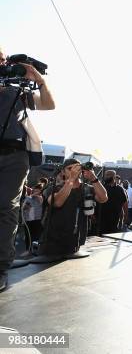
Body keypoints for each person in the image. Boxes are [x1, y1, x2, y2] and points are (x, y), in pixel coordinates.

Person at [0, 44, 55, 292]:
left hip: (15, 155)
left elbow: (48, 104)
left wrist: (39, 80)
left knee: (6, 207)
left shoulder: (18, 91)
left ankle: (1, 266)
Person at [38, 159, 108, 258]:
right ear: (62, 171)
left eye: (77, 168)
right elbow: (57, 202)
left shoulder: (87, 189)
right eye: (70, 168)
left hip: (75, 243)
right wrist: (70, 180)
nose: (74, 171)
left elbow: (103, 198)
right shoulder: (54, 188)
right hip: (52, 243)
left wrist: (94, 178)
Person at [98, 170, 128, 234]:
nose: (106, 177)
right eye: (105, 175)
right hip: (101, 219)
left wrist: (124, 219)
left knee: (112, 237)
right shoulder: (101, 187)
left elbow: (124, 204)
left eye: (108, 175)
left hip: (114, 220)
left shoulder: (120, 189)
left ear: (114, 177)